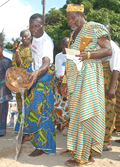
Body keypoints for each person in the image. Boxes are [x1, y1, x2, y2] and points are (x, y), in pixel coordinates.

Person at [60, 4, 112, 166]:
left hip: (89, 77)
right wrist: (65, 81)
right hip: (75, 80)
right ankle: (78, 151)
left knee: (86, 113)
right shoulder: (73, 33)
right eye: (68, 18)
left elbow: (108, 50)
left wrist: (88, 54)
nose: (70, 21)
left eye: (73, 17)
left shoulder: (94, 27)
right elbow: (71, 58)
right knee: (76, 116)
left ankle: (85, 156)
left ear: (81, 14)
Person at [14, 13, 56, 157]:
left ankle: (43, 146)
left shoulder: (46, 42)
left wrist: (37, 72)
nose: (34, 29)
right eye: (31, 26)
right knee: (28, 106)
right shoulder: (34, 40)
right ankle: (30, 134)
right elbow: (35, 60)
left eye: (37, 26)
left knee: (41, 111)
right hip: (36, 74)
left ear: (43, 26)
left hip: (44, 76)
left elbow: (46, 62)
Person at [101, 24, 120, 151]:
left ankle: (107, 142)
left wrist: (112, 88)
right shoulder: (99, 45)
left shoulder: (114, 47)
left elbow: (116, 68)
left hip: (109, 83)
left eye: (105, 32)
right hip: (98, 83)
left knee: (108, 111)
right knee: (100, 112)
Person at [12, 29, 32, 142]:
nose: (23, 39)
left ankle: (30, 133)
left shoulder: (34, 50)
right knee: (21, 108)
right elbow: (16, 66)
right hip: (20, 84)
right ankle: (24, 132)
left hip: (31, 83)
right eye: (21, 37)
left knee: (30, 107)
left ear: (30, 37)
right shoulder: (18, 51)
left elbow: (25, 66)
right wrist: (16, 52)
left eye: (25, 36)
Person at [54, 37, 70, 135]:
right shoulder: (58, 56)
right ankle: (59, 124)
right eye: (63, 44)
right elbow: (56, 69)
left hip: (67, 82)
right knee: (57, 105)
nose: (64, 47)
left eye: (66, 45)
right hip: (57, 81)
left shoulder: (72, 55)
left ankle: (66, 127)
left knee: (66, 105)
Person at [0, 42, 12, 137]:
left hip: (3, 89)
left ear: (1, 49)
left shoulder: (6, 61)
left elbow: (10, 76)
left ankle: (1, 131)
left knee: (2, 110)